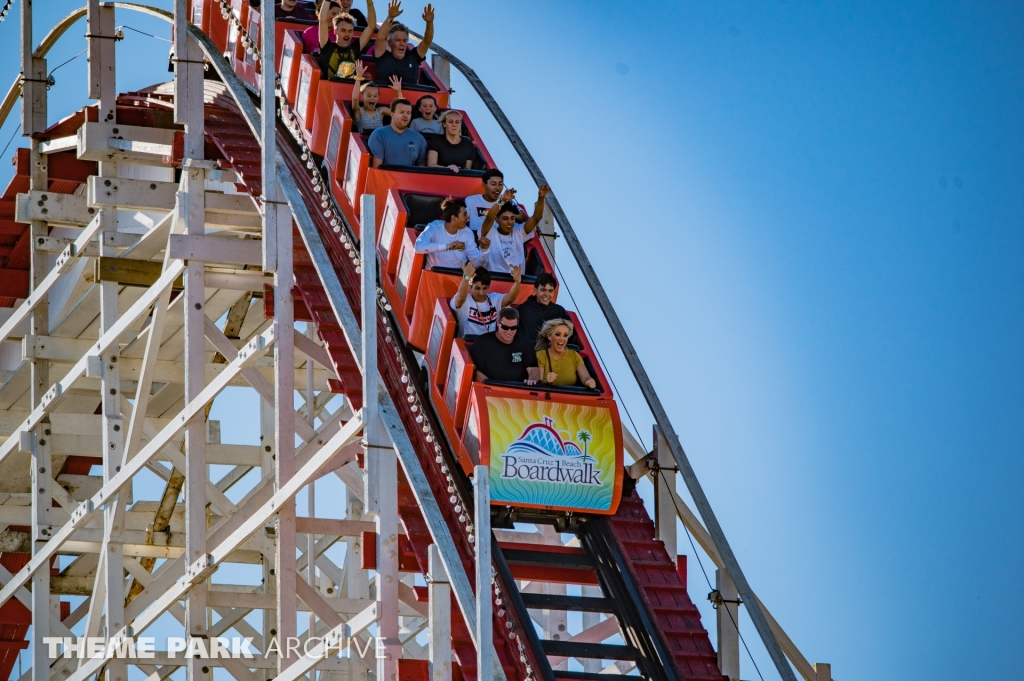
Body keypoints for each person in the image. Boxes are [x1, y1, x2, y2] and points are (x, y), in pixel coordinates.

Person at [477, 185, 550, 274]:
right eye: (505, 218)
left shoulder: (518, 232)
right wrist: (502, 200)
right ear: (497, 219)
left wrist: (541, 197)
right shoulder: (490, 233)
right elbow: (489, 218)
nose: (510, 222)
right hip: (493, 282)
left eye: (512, 218)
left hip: (516, 283)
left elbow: (536, 218)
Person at [469, 307, 540, 385]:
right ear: (498, 323)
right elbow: (477, 373)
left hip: (518, 390)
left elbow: (533, 368)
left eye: (513, 328)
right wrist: (492, 388)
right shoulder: (482, 342)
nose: (509, 332)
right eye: (505, 327)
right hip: (490, 390)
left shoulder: (525, 342)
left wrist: (532, 381)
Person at [450, 263, 520, 338]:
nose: (481, 292)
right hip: (467, 346)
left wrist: (517, 282)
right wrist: (466, 277)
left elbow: (510, 298)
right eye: (477, 288)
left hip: (488, 345)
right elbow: (460, 297)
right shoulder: (466, 300)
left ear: (488, 287)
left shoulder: (494, 299)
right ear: (471, 286)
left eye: (484, 288)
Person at [373, 1, 434, 86]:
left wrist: (429, 23)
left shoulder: (413, 57)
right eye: (398, 40)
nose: (402, 44)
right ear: (390, 42)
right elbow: (380, 38)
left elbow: (427, 41)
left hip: (410, 98)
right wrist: (390, 17)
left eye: (404, 41)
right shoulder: (383, 57)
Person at [414, 197, 482, 269]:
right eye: (464, 214)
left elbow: (476, 262)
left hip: (457, 279)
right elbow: (418, 247)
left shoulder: (468, 233)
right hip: (432, 276)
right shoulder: (434, 227)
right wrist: (448, 246)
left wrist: (484, 250)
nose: (468, 217)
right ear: (454, 218)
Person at [317, 5, 376, 79]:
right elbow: (322, 20)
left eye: (350, 31)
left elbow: (371, 26)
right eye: (343, 30)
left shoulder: (354, 49)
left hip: (349, 89)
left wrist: (369, 2)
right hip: (327, 89)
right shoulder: (327, 47)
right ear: (335, 31)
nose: (347, 34)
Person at [535, 319, 596, 389]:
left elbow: (586, 378)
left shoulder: (574, 355)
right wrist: (546, 380)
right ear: (549, 336)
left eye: (565, 335)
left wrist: (589, 382)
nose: (562, 339)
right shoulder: (541, 355)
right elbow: (538, 381)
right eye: (558, 334)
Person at [367, 98, 427, 166]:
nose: (405, 116)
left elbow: (421, 170)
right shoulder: (378, 135)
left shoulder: (419, 139)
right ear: (392, 115)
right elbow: (376, 169)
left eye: (408, 113)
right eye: (402, 112)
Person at [465, 168, 527, 233]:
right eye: (493, 184)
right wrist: (500, 203)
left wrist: (507, 212)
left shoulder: (507, 200)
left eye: (500, 184)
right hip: (478, 238)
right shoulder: (471, 201)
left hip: (501, 239)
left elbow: (525, 219)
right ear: (484, 185)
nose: (497, 188)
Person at [515, 272, 568, 342]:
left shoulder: (559, 311)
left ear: (554, 292)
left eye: (550, 291)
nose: (546, 294)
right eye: (543, 290)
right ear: (535, 290)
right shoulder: (522, 310)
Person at [351, 61, 402, 133]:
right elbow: (355, 99)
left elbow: (399, 112)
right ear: (362, 96)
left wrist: (398, 92)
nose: (372, 98)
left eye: (375, 96)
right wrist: (358, 77)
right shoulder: (359, 111)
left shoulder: (381, 111)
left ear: (378, 98)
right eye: (369, 95)